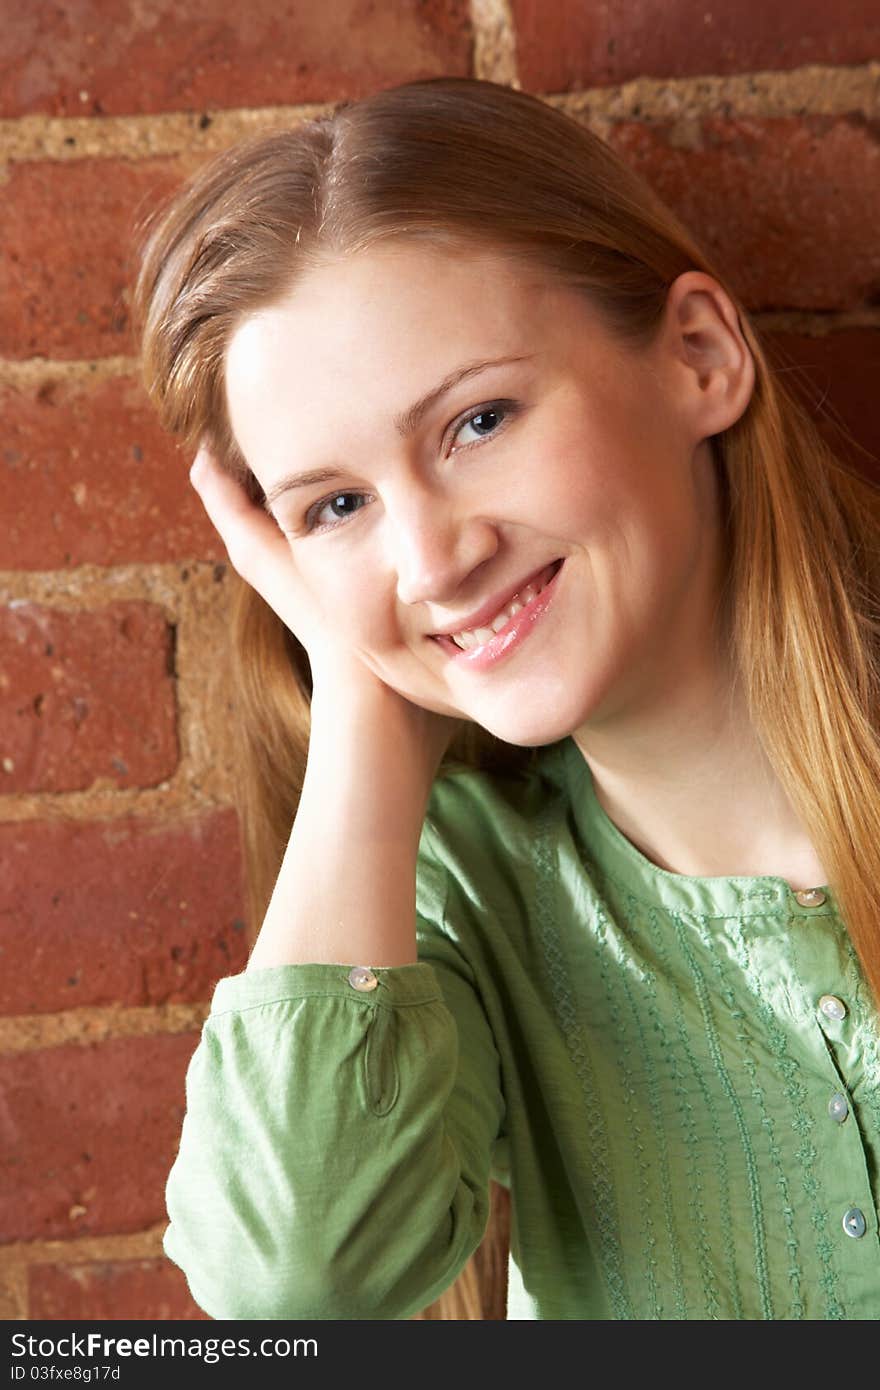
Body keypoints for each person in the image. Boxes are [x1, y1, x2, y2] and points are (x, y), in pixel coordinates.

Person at [132, 76, 880, 1320]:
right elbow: (296, 1286)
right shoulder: (458, 904)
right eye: (335, 505)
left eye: (478, 420)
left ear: (698, 356)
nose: (430, 560)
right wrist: (361, 699)